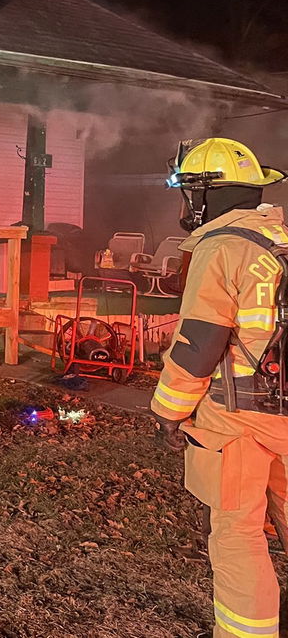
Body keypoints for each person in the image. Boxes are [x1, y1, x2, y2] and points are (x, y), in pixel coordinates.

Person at [151, 137, 288, 638]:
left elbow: (199, 344)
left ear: (204, 194)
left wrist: (168, 411)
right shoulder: (282, 240)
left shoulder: (221, 247)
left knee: (239, 532)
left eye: (189, 191)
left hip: (240, 417)